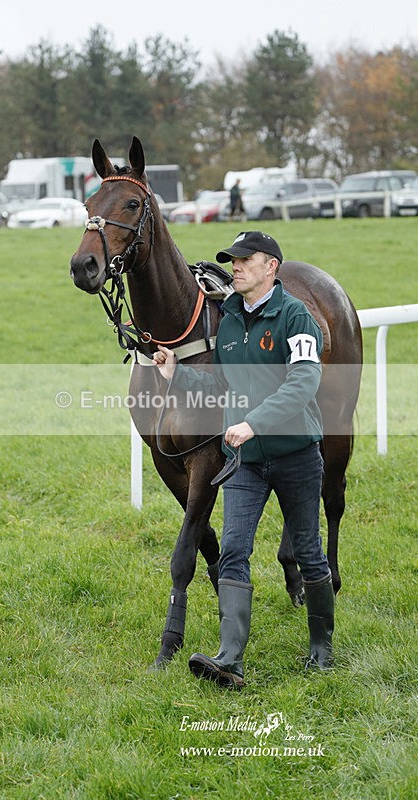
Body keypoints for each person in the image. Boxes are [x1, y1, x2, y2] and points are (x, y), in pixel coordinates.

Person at [153, 230, 334, 690]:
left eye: (244, 260)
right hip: (244, 462)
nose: (234, 267)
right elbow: (221, 384)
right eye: (232, 260)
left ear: (271, 266)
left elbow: (303, 384)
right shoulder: (230, 318)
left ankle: (321, 650)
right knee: (234, 550)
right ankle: (229, 660)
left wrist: (253, 422)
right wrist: (176, 375)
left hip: (296, 455)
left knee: (309, 552)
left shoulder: (297, 316)